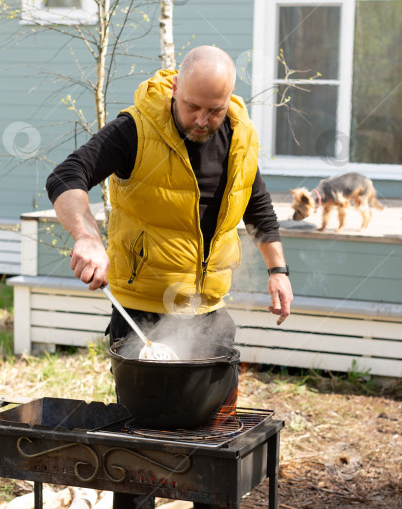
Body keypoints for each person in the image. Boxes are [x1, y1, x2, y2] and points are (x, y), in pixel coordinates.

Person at [46, 46, 293, 509]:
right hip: (142, 314)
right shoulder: (135, 129)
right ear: (175, 88)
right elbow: (67, 176)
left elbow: (258, 206)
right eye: (192, 106)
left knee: (212, 450)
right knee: (139, 454)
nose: (202, 119)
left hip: (209, 315)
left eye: (214, 110)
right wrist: (86, 236)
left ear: (230, 101)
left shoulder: (241, 136)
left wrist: (277, 269)